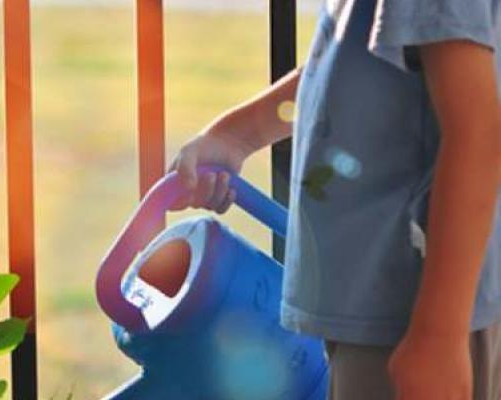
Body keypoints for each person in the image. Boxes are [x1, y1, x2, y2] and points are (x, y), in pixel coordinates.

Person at [168, 0, 501, 398]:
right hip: (380, 308)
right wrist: (238, 135)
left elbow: (477, 134)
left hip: (409, 315)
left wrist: (439, 336)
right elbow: (353, 58)